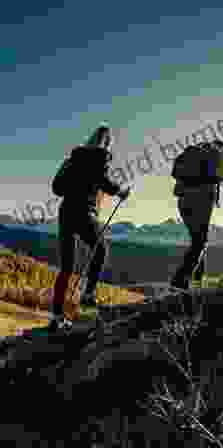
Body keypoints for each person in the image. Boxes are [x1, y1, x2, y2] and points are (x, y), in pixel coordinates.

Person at [49, 125, 131, 331]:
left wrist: (75, 183)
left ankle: (56, 316)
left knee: (66, 268)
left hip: (66, 211)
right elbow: (104, 182)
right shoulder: (100, 157)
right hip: (84, 212)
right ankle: (88, 294)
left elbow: (56, 188)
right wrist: (120, 191)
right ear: (107, 142)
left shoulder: (72, 159)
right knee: (101, 249)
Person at [169, 140, 223, 290]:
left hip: (183, 201)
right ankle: (180, 281)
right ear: (220, 148)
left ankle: (197, 278)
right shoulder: (216, 154)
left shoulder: (193, 153)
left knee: (198, 240)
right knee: (200, 241)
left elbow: (176, 174)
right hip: (202, 198)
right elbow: (222, 177)